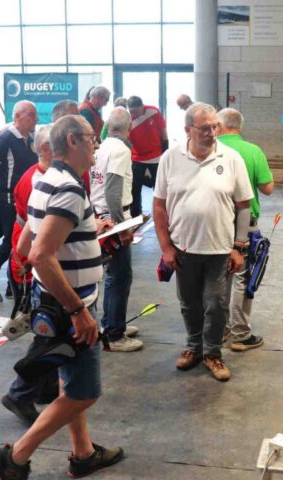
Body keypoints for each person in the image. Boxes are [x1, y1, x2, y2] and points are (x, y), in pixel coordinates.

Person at [0, 114, 123, 479]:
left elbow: (24, 245)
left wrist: (86, 235)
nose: (96, 143)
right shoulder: (69, 190)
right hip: (70, 305)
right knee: (85, 393)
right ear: (73, 141)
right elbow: (40, 255)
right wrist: (78, 310)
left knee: (71, 380)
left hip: (50, 301)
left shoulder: (46, 180)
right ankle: (15, 456)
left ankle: (83, 453)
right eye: (91, 137)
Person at [153, 102, 254, 382]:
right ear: (188, 129)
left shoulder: (231, 158)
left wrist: (239, 246)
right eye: (205, 128)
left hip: (219, 250)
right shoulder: (170, 158)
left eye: (215, 127)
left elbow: (244, 205)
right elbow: (159, 205)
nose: (212, 133)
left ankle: (212, 353)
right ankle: (193, 347)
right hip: (183, 249)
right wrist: (165, 247)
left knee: (217, 304)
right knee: (189, 303)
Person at [1, 124, 58, 424]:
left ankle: (45, 386)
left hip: (36, 262)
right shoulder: (35, 181)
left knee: (51, 332)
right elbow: (29, 232)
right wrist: (27, 265)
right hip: (34, 265)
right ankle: (20, 393)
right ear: (47, 149)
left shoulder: (50, 177)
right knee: (48, 333)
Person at [217, 108, 274, 351]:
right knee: (242, 277)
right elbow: (268, 188)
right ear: (240, 126)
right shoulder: (252, 150)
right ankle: (240, 334)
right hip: (245, 225)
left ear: (219, 125)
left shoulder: (210, 149)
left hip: (216, 224)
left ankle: (219, 330)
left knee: (218, 277)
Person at [91, 108, 143, 352]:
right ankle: (115, 334)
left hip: (102, 214)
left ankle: (111, 323)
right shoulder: (121, 150)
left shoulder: (102, 147)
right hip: (113, 218)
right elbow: (112, 190)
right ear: (129, 127)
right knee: (120, 276)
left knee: (115, 274)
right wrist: (122, 227)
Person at [0, 101, 38, 302]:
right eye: (31, 115)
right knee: (12, 242)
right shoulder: (6, 139)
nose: (35, 119)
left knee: (21, 241)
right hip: (8, 198)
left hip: (24, 197)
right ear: (18, 116)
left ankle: (13, 283)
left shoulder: (29, 139)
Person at [127, 95, 168, 218]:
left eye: (135, 111)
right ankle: (135, 216)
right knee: (134, 189)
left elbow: (163, 131)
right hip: (137, 158)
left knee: (159, 189)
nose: (133, 114)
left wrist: (165, 152)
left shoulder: (153, 111)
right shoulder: (128, 118)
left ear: (142, 107)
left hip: (156, 157)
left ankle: (162, 214)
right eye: (131, 111)